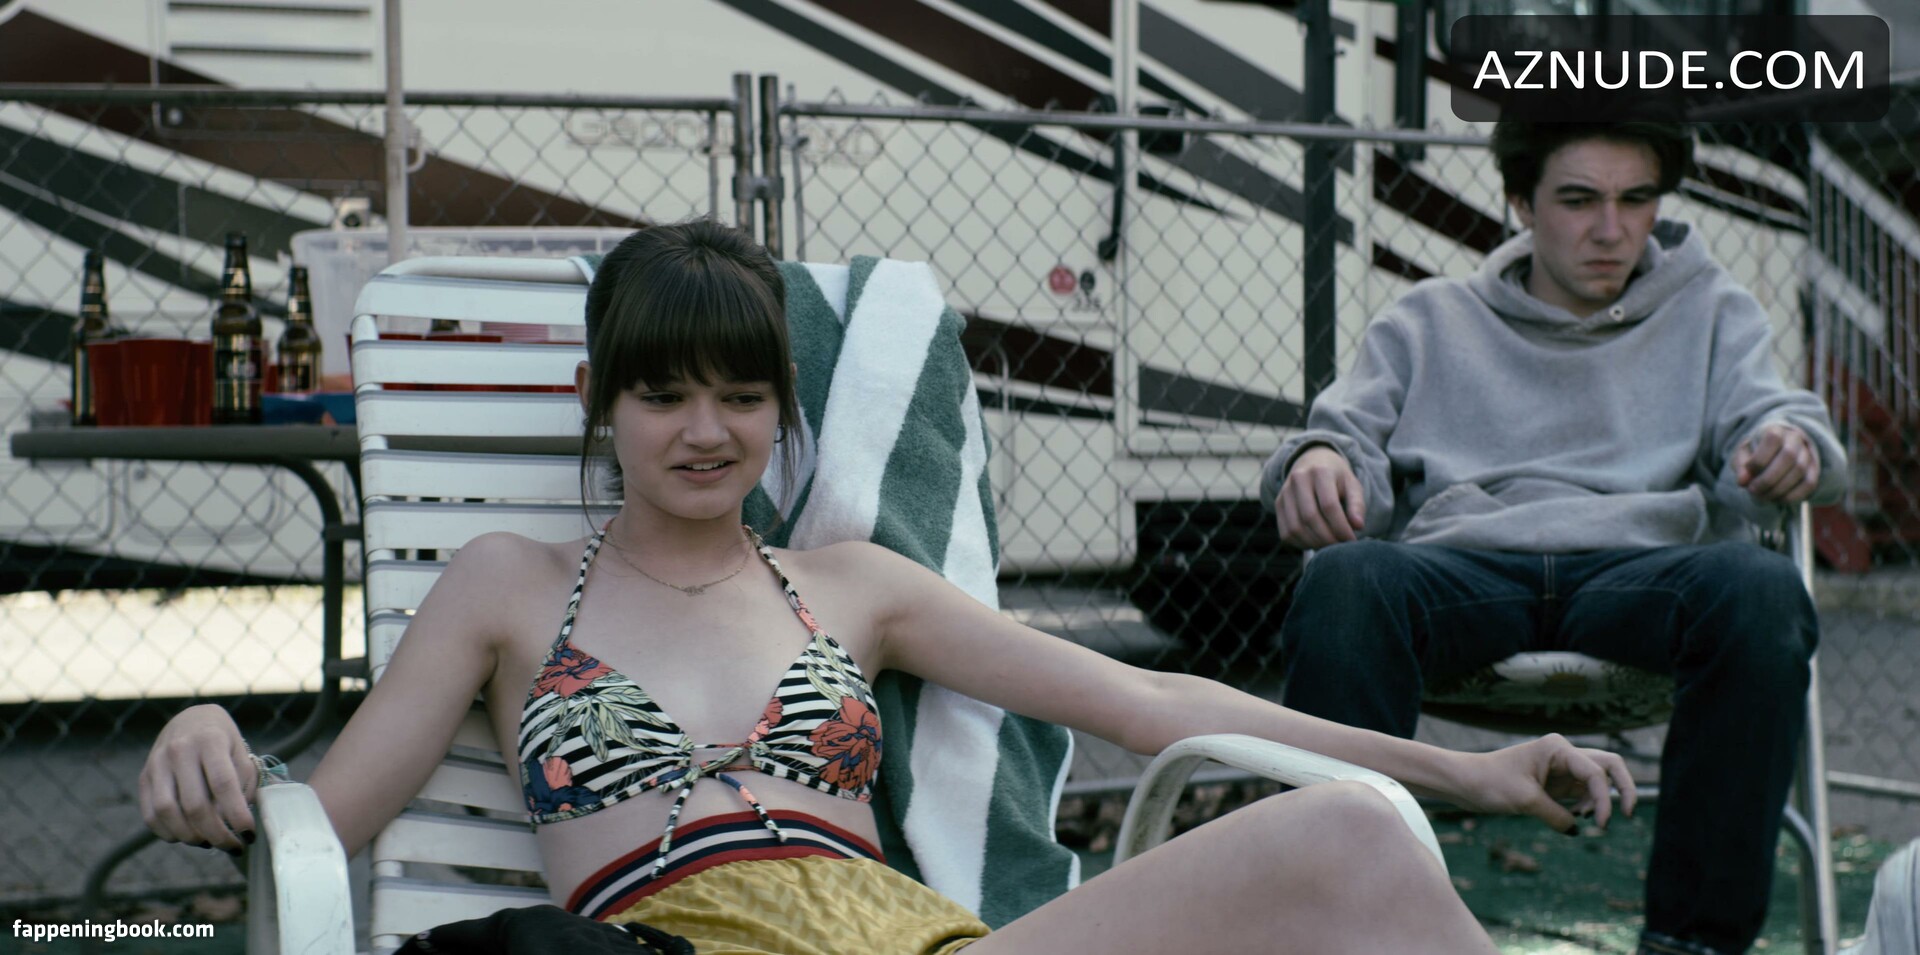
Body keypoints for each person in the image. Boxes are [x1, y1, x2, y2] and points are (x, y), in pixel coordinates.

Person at [143, 219, 1634, 954]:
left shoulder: (852, 585)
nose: (706, 430)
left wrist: (1471, 771)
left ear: (783, 410)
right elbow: (317, 824)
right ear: (602, 402)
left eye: (742, 395)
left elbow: (1152, 701)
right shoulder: (508, 586)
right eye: (664, 394)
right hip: (670, 941)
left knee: (1353, 837)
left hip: (919, 946)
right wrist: (209, 739)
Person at [1263, 120, 1847, 955]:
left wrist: (1788, 445)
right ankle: (1341, 934)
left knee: (1762, 589)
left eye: (1635, 199)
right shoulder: (1431, 317)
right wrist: (1317, 460)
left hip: (1641, 572)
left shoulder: (1713, 311)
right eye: (1578, 200)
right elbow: (1344, 437)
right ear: (1521, 202)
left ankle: (1692, 945)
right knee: (1347, 580)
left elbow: (1773, 417)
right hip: (1463, 568)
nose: (1610, 229)